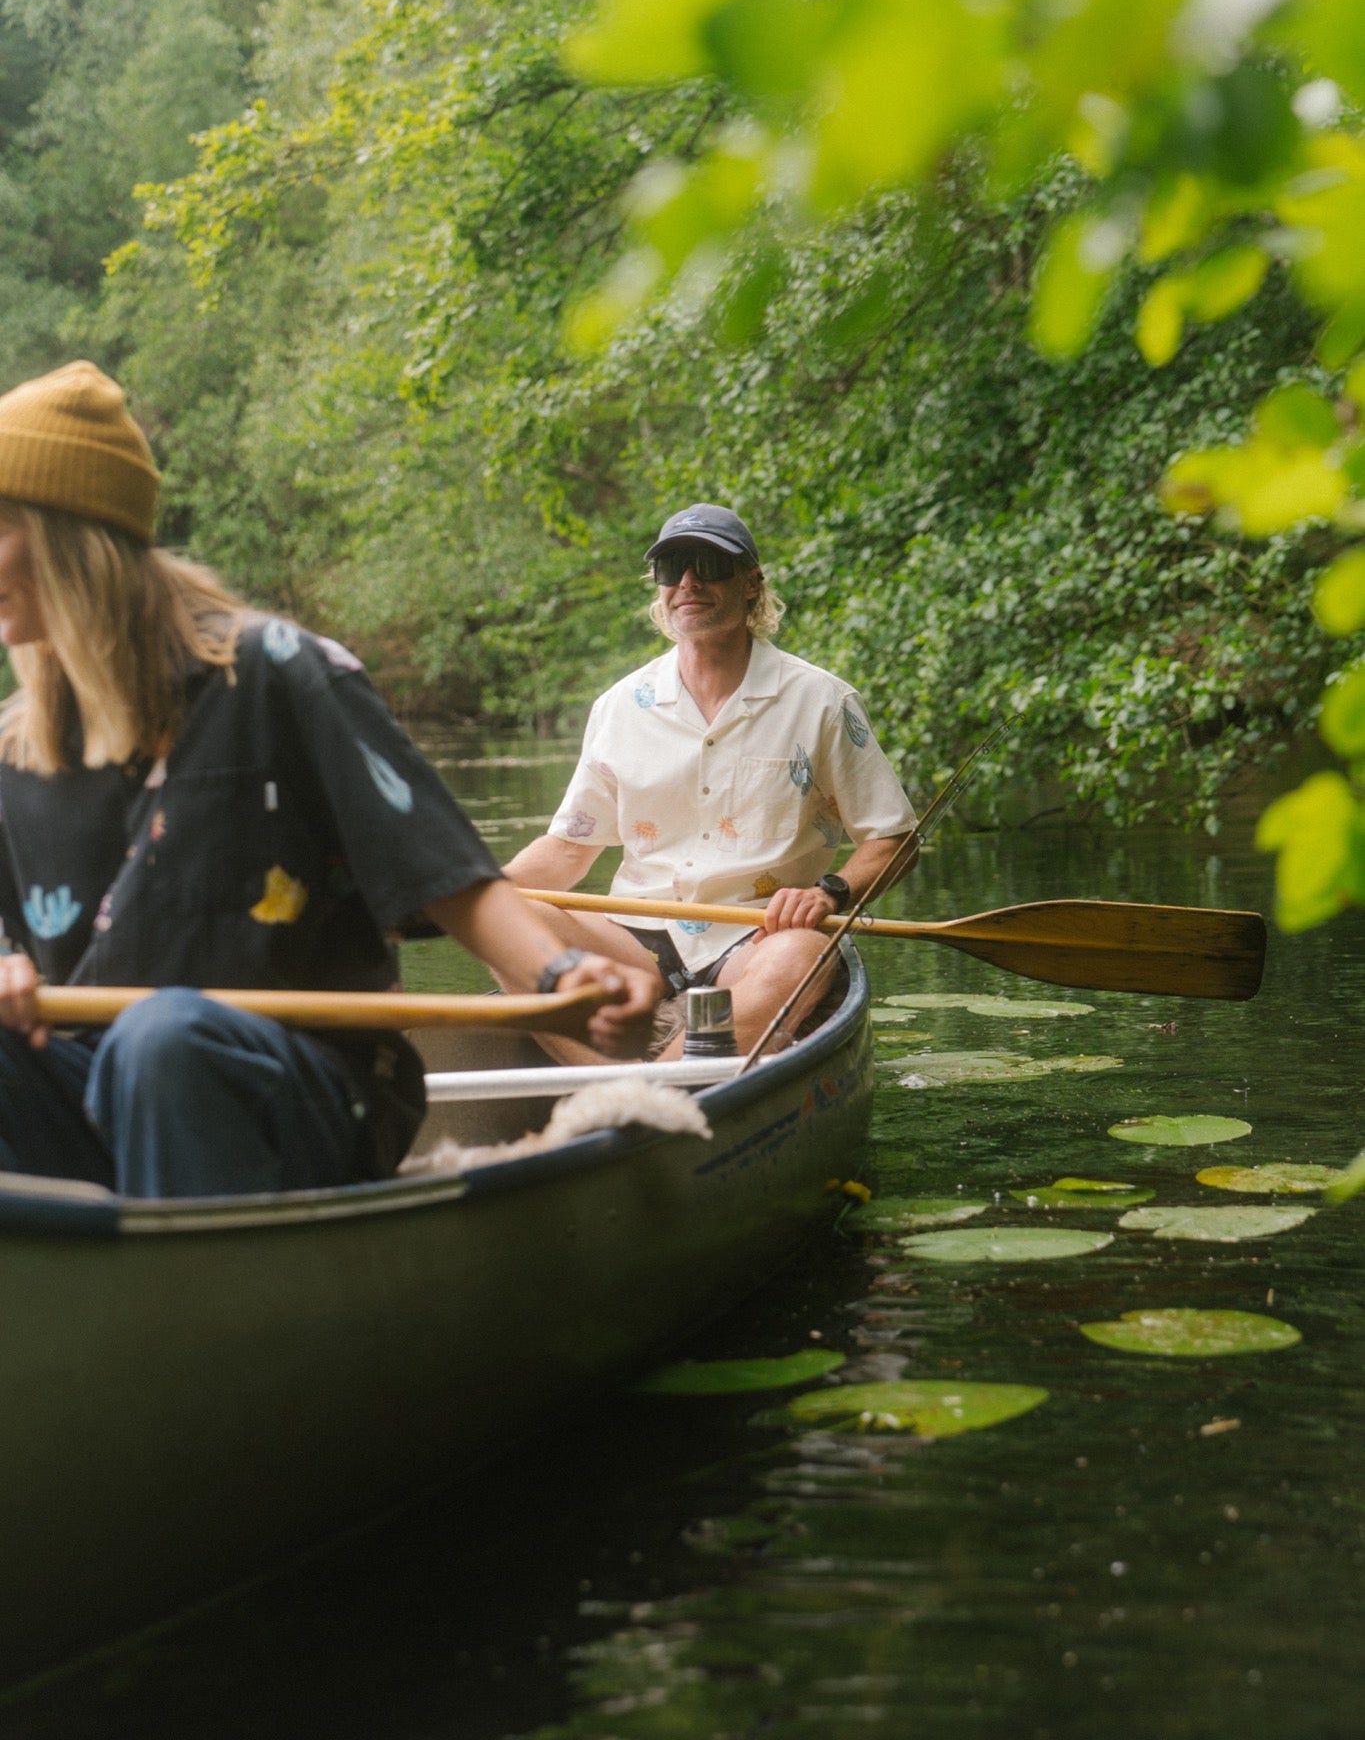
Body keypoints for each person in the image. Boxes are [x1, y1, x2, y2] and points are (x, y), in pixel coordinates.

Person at [0, 362, 661, 1198]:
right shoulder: (16, 745)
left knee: (161, 1038)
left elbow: (446, 875)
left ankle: (197, 1301)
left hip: (313, 1090)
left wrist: (562, 976)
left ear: (73, 534)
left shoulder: (278, 673)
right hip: (96, 1094)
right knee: (129, 1045)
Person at [506, 504, 917, 1056]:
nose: (688, 582)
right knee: (506, 918)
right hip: (635, 939)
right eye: (672, 568)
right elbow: (566, 851)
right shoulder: (620, 706)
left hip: (758, 936)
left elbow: (895, 839)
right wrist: (479, 892)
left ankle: (660, 1089)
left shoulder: (822, 701)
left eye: (708, 564)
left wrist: (829, 893)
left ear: (752, 584)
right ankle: (599, 1082)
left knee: (808, 953)